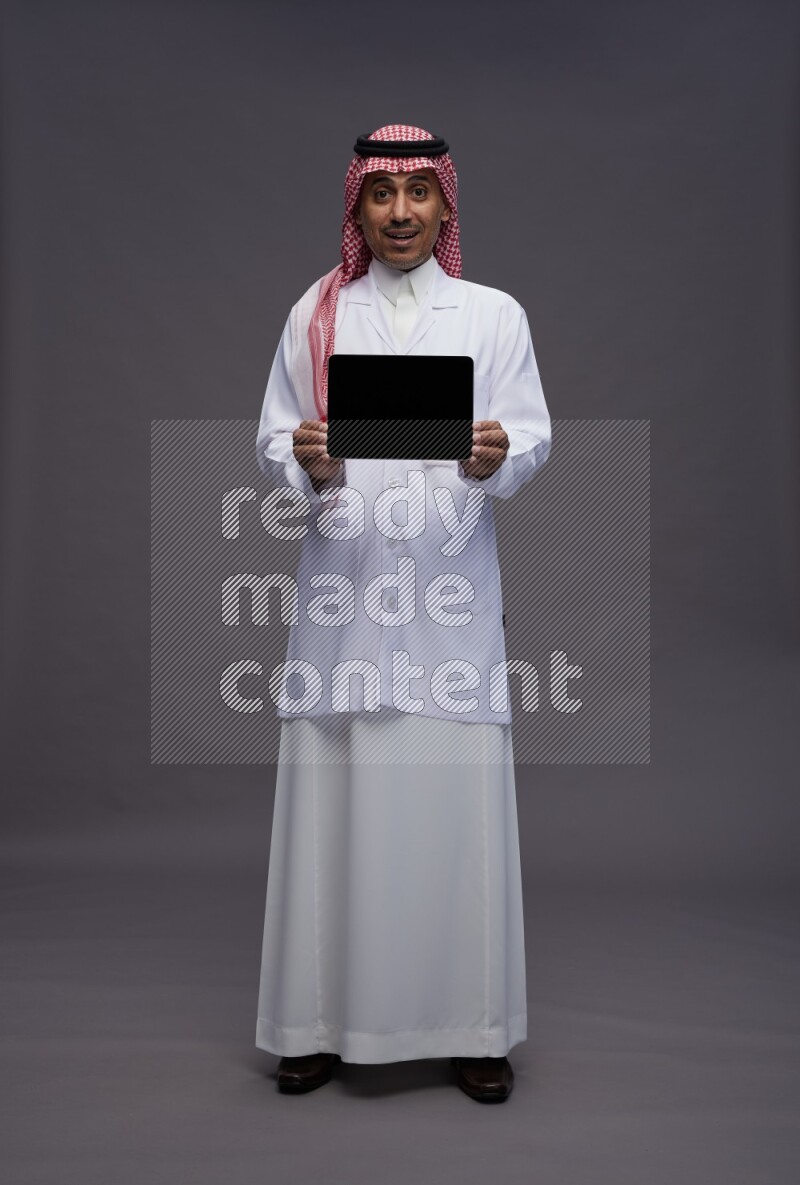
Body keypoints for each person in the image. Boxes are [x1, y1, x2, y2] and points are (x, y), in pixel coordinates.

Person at [254, 124, 551, 1102]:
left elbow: (531, 436)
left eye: (419, 193)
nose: (400, 213)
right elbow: (273, 439)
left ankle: (471, 1027)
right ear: (358, 206)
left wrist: (496, 455)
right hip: (344, 595)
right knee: (331, 811)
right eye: (382, 195)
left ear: (445, 205)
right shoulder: (316, 315)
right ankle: (313, 1023)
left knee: (453, 814)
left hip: (446, 600)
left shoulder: (492, 314)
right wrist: (308, 463)